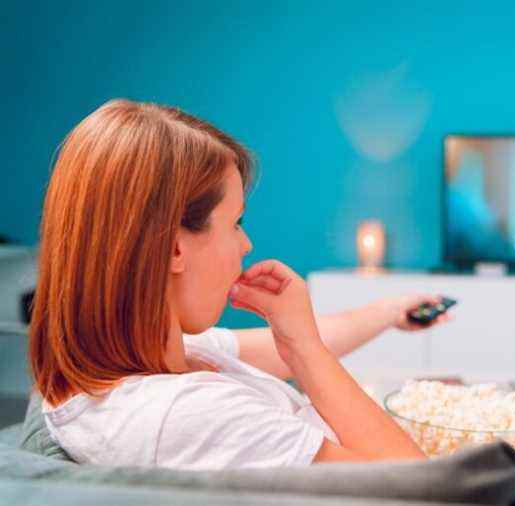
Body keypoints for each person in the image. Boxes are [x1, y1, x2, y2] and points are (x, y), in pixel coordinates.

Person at [28, 99, 450, 469]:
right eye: (235, 223)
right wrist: (306, 350)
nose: (246, 244)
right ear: (174, 248)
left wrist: (389, 311)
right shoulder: (189, 417)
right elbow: (418, 487)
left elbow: (279, 348)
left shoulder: (157, 356)